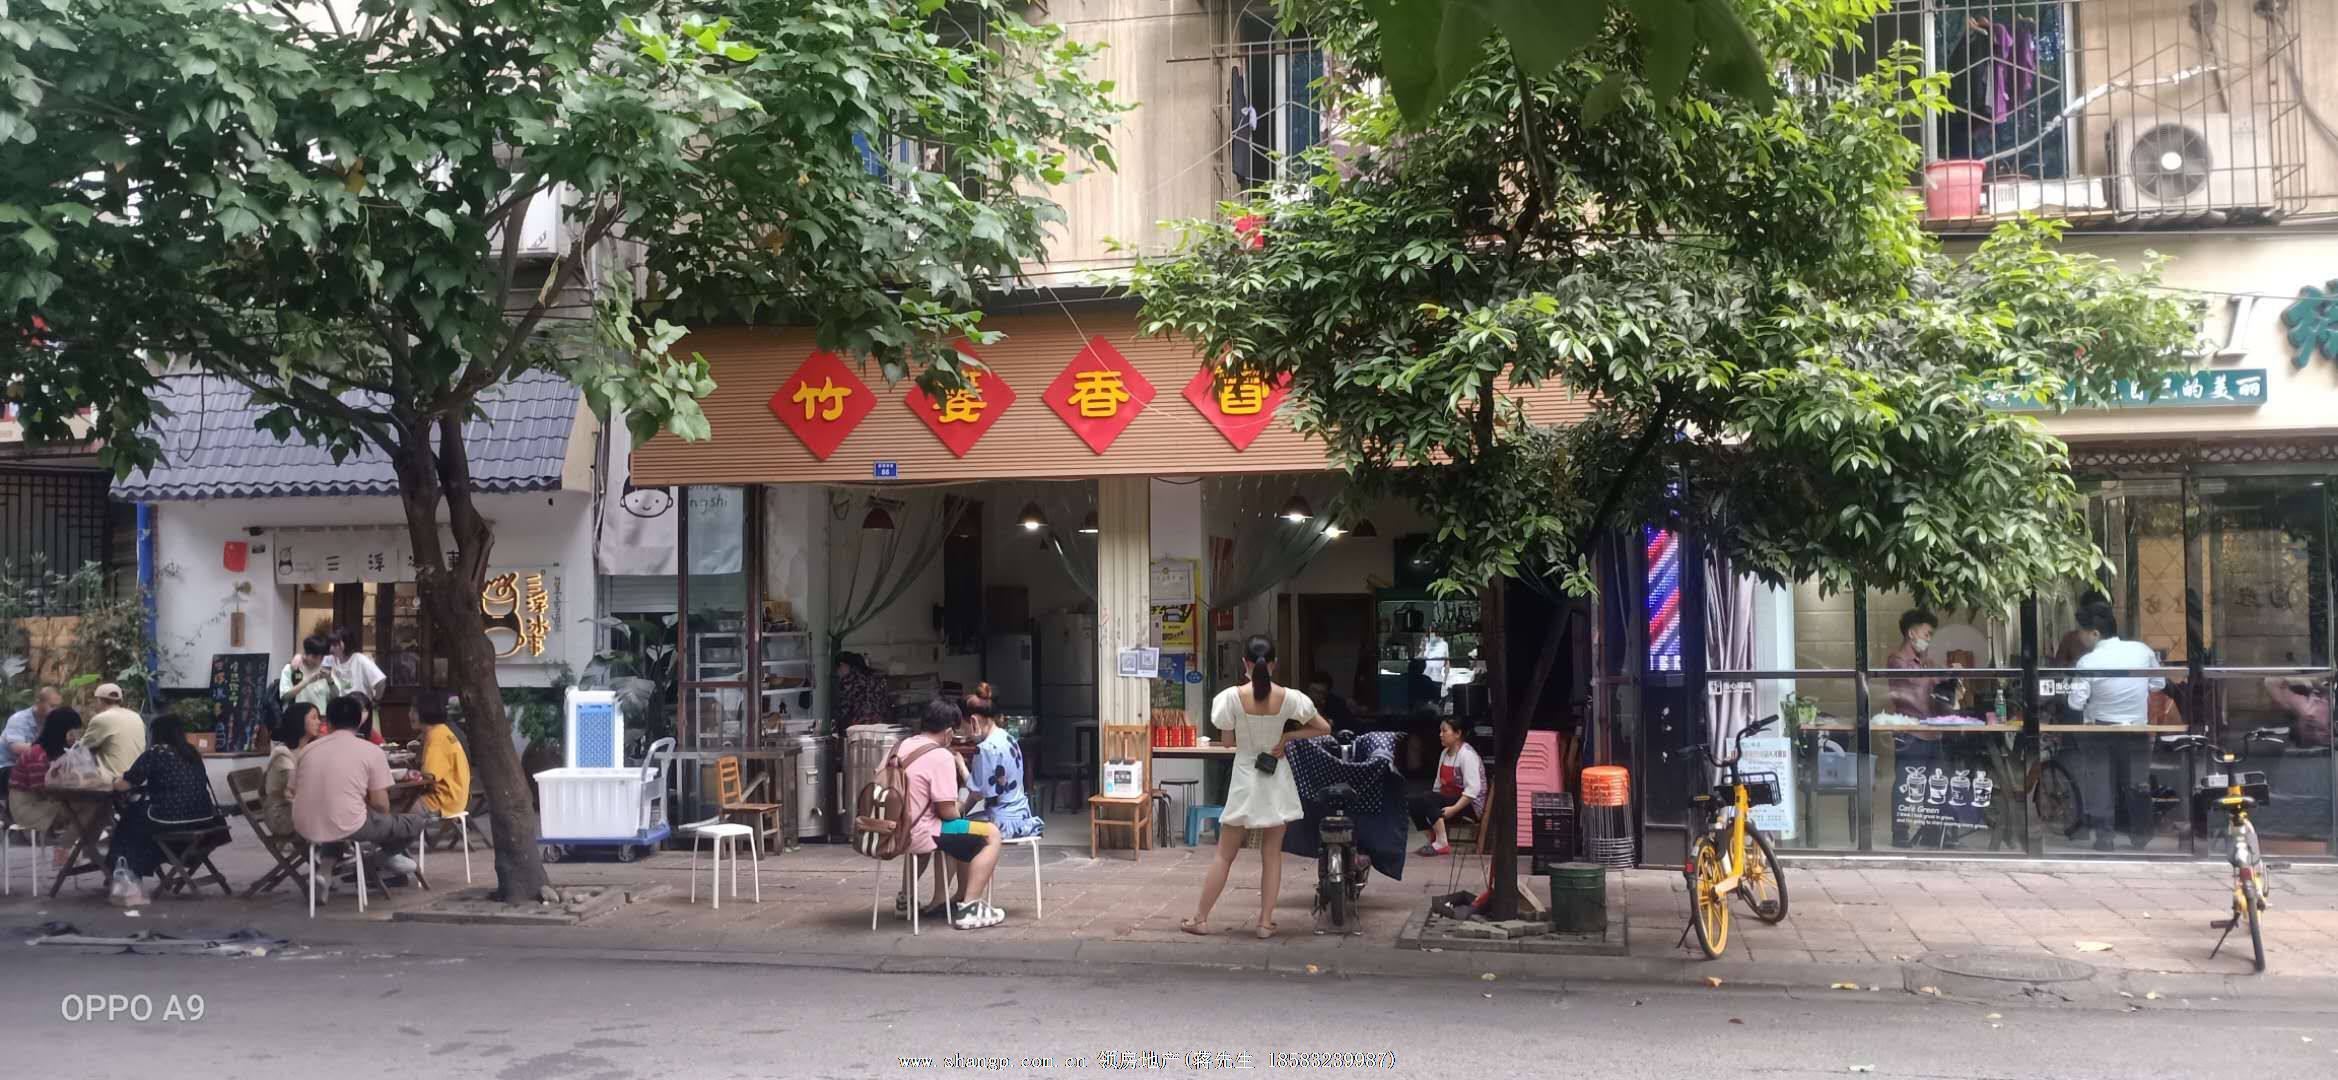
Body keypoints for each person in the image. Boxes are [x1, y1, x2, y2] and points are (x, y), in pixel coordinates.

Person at [1183, 634, 1328, 940]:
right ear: (1274, 664)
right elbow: (1323, 728)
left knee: (1224, 854)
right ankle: (1264, 923)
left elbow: (1227, 742)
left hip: (1244, 778)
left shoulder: (1230, 698)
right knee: (1272, 854)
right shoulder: (1290, 698)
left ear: (1244, 663)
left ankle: (1200, 918)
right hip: (1276, 776)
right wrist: (1287, 737)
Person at [894, 698, 1006, 929]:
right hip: (922, 833)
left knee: (948, 834)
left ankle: (905, 899)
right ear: (947, 732)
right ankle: (971, 907)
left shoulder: (899, 747)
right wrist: (961, 806)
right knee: (991, 834)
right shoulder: (941, 756)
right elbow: (948, 813)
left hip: (894, 831)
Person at [292, 695, 427, 877]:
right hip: (348, 824)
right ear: (359, 722)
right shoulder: (371, 751)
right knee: (415, 822)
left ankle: (326, 872)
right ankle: (373, 862)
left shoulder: (308, 750)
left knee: (341, 819)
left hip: (304, 825)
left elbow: (293, 789)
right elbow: (381, 805)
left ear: (328, 722)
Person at [2067, 605, 2165, 850]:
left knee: (2101, 785)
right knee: (2137, 784)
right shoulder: (2142, 650)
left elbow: (2075, 703)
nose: (2079, 636)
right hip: (2137, 731)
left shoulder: (2087, 662)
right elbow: (2158, 684)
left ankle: (2105, 839)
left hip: (2100, 732)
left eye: (2081, 631)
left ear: (2095, 633)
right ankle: (2141, 837)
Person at [106, 714, 228, 906]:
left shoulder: (156, 753)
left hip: (170, 817)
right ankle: (134, 870)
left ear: (156, 733)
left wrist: (112, 781)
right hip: (202, 816)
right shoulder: (191, 752)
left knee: (128, 821)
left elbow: (126, 784)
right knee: (137, 819)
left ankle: (127, 873)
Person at [961, 684, 1041, 840]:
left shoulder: (985, 748)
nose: (966, 734)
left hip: (1001, 823)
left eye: (965, 728)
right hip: (1023, 819)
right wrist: (963, 811)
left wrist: (960, 765)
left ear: (974, 722)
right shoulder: (1009, 738)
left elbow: (977, 793)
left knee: (953, 829)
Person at [1410, 714, 1484, 856]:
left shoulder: (1467, 755)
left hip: (1468, 806)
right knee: (1413, 801)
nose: (1440, 735)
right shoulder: (1444, 753)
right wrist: (1430, 803)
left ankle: (1442, 842)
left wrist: (1453, 809)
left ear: (1458, 733)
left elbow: (1472, 790)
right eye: (1440, 731)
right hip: (1448, 799)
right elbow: (1437, 786)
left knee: (1427, 798)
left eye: (1444, 731)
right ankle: (1433, 839)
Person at [6, 706, 81, 835]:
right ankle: (69, 844)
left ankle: (75, 842)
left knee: (86, 808)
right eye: (72, 732)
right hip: (28, 807)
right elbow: (42, 789)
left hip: (43, 801)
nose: (75, 737)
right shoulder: (37, 754)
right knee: (81, 810)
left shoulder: (59, 753)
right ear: (60, 731)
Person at [262, 702, 318, 839]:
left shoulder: (309, 750)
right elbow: (299, 785)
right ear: (299, 720)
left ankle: (334, 848)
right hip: (281, 814)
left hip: (300, 807)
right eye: (314, 718)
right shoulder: (282, 753)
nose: (319, 722)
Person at [80, 682, 147, 784]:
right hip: (137, 779)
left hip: (114, 781)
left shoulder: (101, 719)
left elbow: (82, 748)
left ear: (99, 700)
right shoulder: (136, 717)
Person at [417, 696, 472, 818]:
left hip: (443, 801)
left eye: (413, 711)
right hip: (457, 798)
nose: (409, 715)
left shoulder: (435, 736)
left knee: (394, 809)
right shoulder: (443, 730)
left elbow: (429, 775)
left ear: (423, 713)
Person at [1, 684, 60, 792]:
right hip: (7, 767)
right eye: (52, 706)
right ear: (38, 702)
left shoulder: (52, 721)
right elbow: (16, 748)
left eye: (57, 706)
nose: (55, 710)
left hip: (31, 766)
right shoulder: (19, 719)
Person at [1884, 609, 1940, 719]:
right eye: (1926, 635)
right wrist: (1944, 676)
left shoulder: (1926, 661)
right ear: (1911, 633)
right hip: (1909, 725)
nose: (1929, 640)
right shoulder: (1897, 661)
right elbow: (1917, 684)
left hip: (1929, 725)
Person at [280, 635, 343, 717]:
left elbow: (336, 698)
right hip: (298, 717)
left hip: (321, 717)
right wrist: (308, 681)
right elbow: (285, 696)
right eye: (314, 657)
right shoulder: (292, 669)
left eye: (321, 657)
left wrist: (330, 680)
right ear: (305, 654)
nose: (318, 660)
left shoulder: (324, 671)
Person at [2264, 676, 2331, 750]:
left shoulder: (2293, 704)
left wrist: (2307, 681)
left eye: (2308, 728)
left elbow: (2270, 680)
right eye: (2311, 729)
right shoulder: (2331, 721)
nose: (2311, 722)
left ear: (2298, 724)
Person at [327, 626, 389, 701]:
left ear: (346, 643)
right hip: (341, 705)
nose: (331, 649)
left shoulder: (360, 659)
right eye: (330, 645)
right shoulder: (333, 661)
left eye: (335, 645)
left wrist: (375, 700)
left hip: (360, 705)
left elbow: (380, 681)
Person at [835, 651, 891, 729]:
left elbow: (844, 708)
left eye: (837, 670)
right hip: (880, 724)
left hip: (859, 725)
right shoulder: (875, 677)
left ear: (842, 665)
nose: (838, 674)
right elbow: (885, 703)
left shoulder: (849, 681)